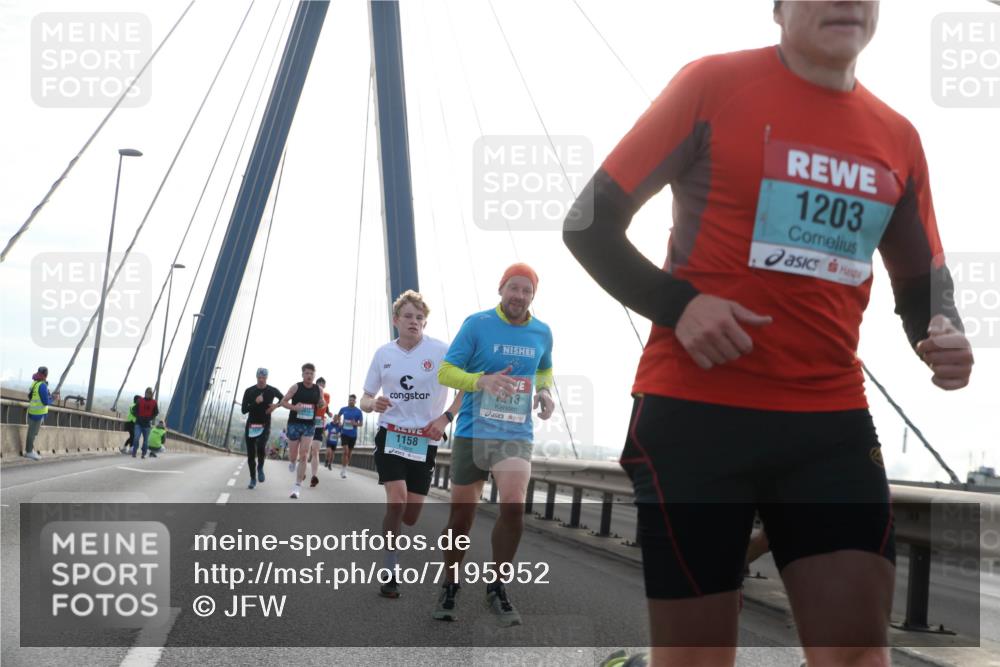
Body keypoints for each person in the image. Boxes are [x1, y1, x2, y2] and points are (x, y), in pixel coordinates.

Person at [562, 2, 975, 665]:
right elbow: (588, 222)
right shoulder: (712, 85)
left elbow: (923, 281)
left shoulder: (897, 136)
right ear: (779, 8)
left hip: (829, 425)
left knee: (858, 657)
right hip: (696, 417)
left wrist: (943, 330)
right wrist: (681, 304)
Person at [433, 263, 555, 626]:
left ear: (533, 296)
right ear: (501, 289)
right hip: (474, 431)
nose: (519, 296)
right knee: (461, 518)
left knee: (514, 506)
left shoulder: (542, 332)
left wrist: (546, 391)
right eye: (513, 288)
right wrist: (479, 381)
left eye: (526, 291)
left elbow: (544, 368)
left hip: (515, 435)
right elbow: (445, 371)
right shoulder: (477, 324)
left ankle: (497, 587)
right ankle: (451, 581)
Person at [360, 290, 463, 599]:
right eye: (408, 316)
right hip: (391, 434)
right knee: (397, 500)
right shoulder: (383, 354)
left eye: (419, 317)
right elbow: (365, 397)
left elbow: (465, 389)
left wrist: (445, 419)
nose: (414, 322)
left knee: (411, 515)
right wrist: (371, 404)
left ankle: (395, 538)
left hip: (424, 441)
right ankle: (390, 568)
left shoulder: (442, 352)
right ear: (396, 320)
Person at [280, 363, 325, 499]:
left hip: (309, 425)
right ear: (302, 374)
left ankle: (297, 487)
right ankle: (293, 462)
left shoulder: (319, 389)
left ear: (314, 375)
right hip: (294, 423)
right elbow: (283, 402)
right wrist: (294, 408)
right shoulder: (296, 387)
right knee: (294, 455)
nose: (309, 376)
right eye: (307, 373)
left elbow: (322, 403)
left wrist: (322, 404)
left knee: (304, 454)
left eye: (311, 373)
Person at [240, 367, 283, 489]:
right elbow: (243, 410)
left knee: (260, 447)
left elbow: (283, 399)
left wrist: (275, 406)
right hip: (251, 425)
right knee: (250, 455)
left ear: (267, 378)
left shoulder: (272, 390)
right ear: (256, 377)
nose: (261, 380)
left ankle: (260, 467)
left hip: (265, 425)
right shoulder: (249, 391)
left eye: (263, 378)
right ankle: (253, 478)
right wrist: (256, 402)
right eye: (259, 377)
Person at [24, 366, 59, 460]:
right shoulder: (42, 385)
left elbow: (33, 396)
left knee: (31, 432)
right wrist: (53, 398)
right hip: (38, 414)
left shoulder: (35, 383)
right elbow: (45, 401)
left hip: (32, 411)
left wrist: (50, 396)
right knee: (33, 433)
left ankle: (29, 450)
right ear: (46, 375)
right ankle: (29, 452)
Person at [307, 378, 332, 488]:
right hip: (308, 423)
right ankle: (302, 471)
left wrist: (328, 412)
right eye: (319, 384)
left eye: (323, 384)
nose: (321, 386)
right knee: (306, 451)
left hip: (319, 424)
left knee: (315, 451)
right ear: (315, 385)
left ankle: (314, 476)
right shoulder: (310, 393)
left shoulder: (327, 396)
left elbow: (325, 406)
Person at [337, 395, 363, 478]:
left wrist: (355, 424)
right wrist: (339, 423)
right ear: (348, 400)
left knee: (349, 454)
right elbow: (338, 416)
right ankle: (343, 470)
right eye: (350, 400)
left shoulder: (358, 411)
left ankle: (344, 467)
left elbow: (361, 424)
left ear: (355, 402)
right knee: (345, 451)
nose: (351, 401)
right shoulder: (343, 409)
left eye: (352, 400)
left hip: (353, 435)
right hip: (344, 433)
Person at [132, 387, 158, 459]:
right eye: (147, 392)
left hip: (147, 425)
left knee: (145, 441)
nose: (148, 394)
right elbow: (134, 409)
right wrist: (138, 416)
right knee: (136, 438)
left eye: (149, 393)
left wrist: (150, 418)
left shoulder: (154, 402)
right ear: (145, 393)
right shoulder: (140, 401)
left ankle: (143, 453)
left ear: (151, 394)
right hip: (139, 423)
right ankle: (134, 451)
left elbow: (156, 412)